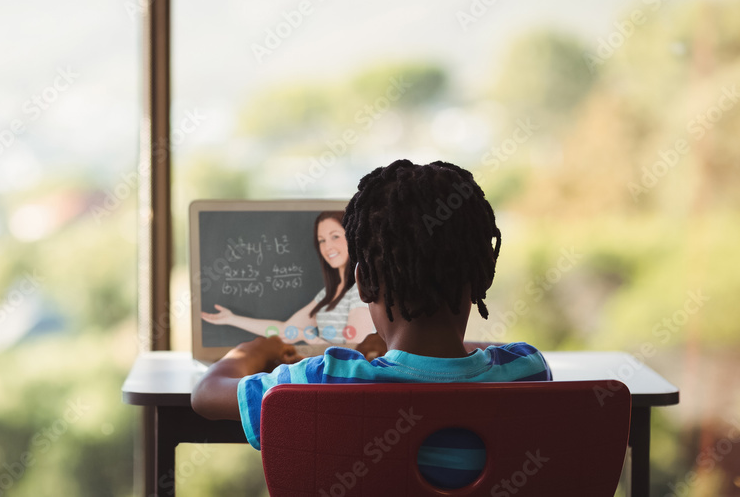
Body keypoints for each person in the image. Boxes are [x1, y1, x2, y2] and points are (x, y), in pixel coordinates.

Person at [191, 160, 552, 490]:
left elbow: (206, 394)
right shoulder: (528, 371)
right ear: (484, 271)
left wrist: (257, 349)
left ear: (362, 283)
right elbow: (473, 357)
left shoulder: (324, 379)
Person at [200, 210, 373, 344]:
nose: (328, 247)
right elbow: (285, 331)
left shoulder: (360, 290)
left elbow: (356, 356)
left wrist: (308, 338)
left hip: (346, 385)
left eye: (335, 237)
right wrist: (232, 319)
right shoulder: (327, 294)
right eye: (321, 240)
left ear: (352, 237)